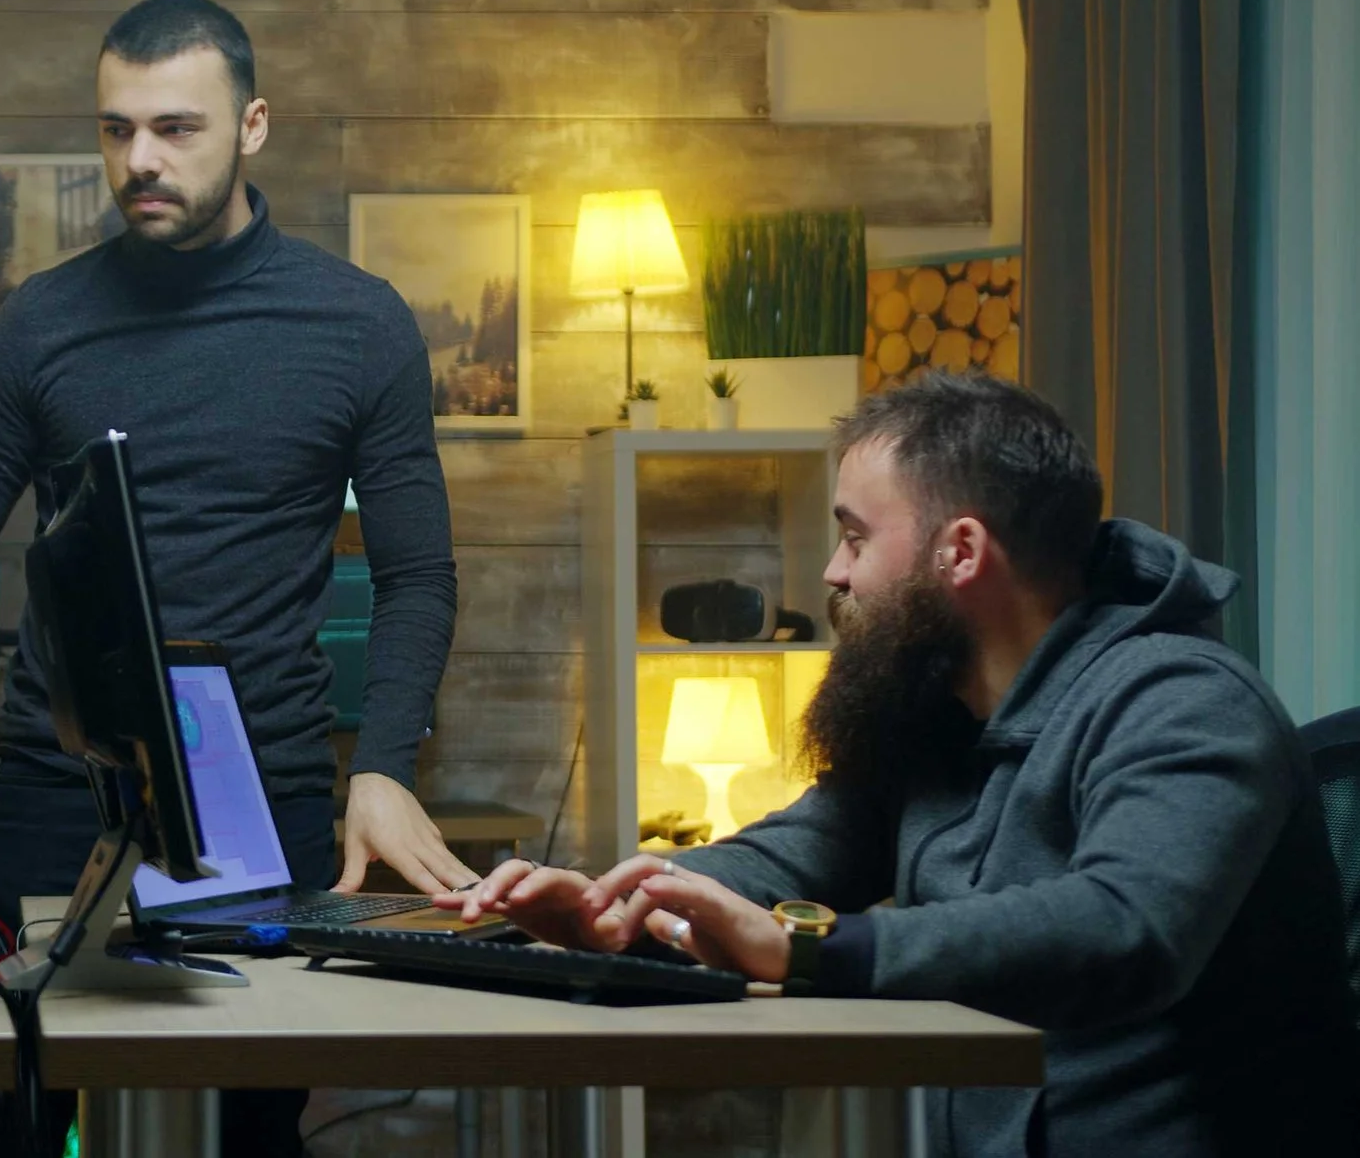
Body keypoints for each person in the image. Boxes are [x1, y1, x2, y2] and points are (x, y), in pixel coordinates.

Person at [445, 372, 1357, 1156]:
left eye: (853, 536)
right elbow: (795, 850)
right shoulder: (939, 711)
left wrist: (808, 947)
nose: (834, 574)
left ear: (959, 551)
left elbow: (1123, 928)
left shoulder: (1188, 702)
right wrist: (625, 899)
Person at [0, 0, 469, 1156]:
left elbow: (418, 574)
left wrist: (381, 765)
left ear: (253, 125)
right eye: (117, 130)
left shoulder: (360, 324)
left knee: (248, 1133)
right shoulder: (41, 323)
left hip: (255, 795)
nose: (141, 160)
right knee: (3, 1129)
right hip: (50, 797)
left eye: (175, 128)